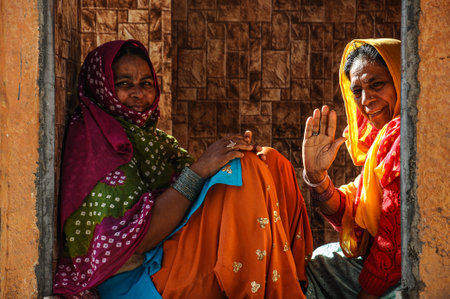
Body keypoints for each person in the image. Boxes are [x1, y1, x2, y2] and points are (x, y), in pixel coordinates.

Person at [53, 39, 313, 298]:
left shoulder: (152, 141)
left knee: (269, 160)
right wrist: (201, 169)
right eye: (124, 84)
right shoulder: (94, 140)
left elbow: (196, 196)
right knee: (245, 170)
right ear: (102, 88)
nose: (138, 94)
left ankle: (293, 283)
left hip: (167, 251)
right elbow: (138, 240)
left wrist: (233, 155)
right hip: (136, 276)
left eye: (146, 84)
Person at [302, 38, 401, 298]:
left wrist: (367, 294)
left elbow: (393, 235)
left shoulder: (404, 135)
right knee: (320, 259)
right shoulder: (385, 139)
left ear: (404, 80)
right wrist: (317, 177)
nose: (366, 100)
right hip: (395, 266)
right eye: (357, 91)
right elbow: (354, 207)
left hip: (415, 271)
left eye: (377, 84)